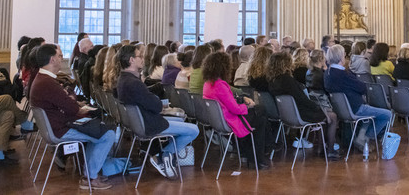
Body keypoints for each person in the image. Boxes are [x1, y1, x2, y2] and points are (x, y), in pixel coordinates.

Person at [30, 44, 114, 190]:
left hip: (58, 125)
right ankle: (90, 177)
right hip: (61, 129)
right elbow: (73, 108)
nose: (61, 59)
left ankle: (89, 173)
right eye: (60, 56)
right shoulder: (47, 83)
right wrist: (71, 99)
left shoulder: (42, 78)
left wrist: (69, 98)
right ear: (52, 59)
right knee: (108, 135)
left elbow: (68, 103)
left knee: (99, 130)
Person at [117, 44, 199, 180]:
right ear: (131, 60)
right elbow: (156, 106)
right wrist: (157, 102)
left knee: (180, 119)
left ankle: (164, 155)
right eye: (139, 56)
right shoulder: (133, 83)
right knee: (194, 129)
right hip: (150, 123)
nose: (143, 59)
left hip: (142, 122)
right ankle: (165, 154)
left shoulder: (123, 79)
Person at [267, 52, 341, 160]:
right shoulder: (287, 80)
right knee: (333, 116)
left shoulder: (273, 80)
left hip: (287, 115)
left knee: (326, 115)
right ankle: (330, 150)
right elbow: (303, 99)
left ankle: (322, 148)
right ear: (285, 64)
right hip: (300, 114)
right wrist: (318, 108)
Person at [202, 52, 269, 170]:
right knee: (261, 117)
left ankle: (248, 153)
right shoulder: (220, 85)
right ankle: (257, 158)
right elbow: (236, 109)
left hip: (219, 119)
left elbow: (227, 101)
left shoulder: (208, 83)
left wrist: (242, 99)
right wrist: (247, 106)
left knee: (260, 115)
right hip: (230, 119)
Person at [324, 45, 392, 152]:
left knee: (370, 112)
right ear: (341, 58)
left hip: (340, 109)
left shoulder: (327, 73)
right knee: (387, 114)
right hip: (355, 108)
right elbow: (362, 88)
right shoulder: (342, 75)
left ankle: (360, 138)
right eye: (344, 55)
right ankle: (366, 138)